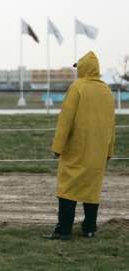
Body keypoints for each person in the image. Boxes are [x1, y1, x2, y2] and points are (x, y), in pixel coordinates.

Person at [47, 51, 115, 240]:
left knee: (68, 187)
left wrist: (57, 147)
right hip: (98, 151)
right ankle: (89, 228)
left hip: (76, 150)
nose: (77, 71)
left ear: (84, 68)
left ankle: (63, 230)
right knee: (92, 189)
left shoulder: (77, 87)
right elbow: (112, 124)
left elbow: (65, 120)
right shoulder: (107, 91)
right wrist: (109, 151)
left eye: (79, 67)